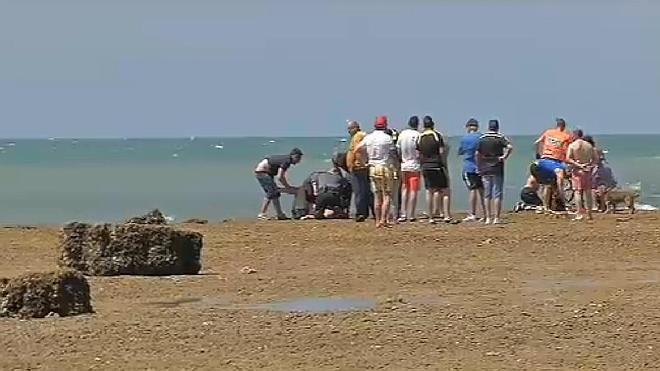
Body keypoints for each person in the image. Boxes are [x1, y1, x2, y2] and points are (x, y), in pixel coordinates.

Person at [355, 116, 396, 228]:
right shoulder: (388, 138)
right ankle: (384, 219)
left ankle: (377, 221)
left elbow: (357, 149)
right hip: (385, 166)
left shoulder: (369, 137)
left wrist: (363, 162)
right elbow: (393, 153)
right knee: (387, 194)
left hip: (373, 167)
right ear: (385, 125)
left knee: (377, 195)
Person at [417, 115, 452, 224]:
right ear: (433, 125)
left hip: (425, 166)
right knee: (445, 190)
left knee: (429, 191)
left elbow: (418, 153)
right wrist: (444, 164)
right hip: (437, 165)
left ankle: (431, 216)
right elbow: (441, 151)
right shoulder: (437, 135)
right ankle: (446, 215)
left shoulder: (420, 136)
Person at [476, 120, 513, 224]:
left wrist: (479, 166)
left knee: (487, 194)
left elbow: (477, 153)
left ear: (489, 127)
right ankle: (496, 217)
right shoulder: (500, 137)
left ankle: (488, 217)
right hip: (497, 166)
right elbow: (510, 147)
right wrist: (504, 157)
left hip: (485, 166)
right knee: (497, 193)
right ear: (497, 128)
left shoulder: (482, 138)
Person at [254, 148, 303, 220]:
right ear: (294, 156)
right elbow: (280, 177)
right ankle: (261, 214)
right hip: (262, 172)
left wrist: (286, 187)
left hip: (266, 172)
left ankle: (279, 214)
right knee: (271, 192)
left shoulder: (286, 159)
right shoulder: (287, 161)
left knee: (275, 194)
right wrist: (288, 187)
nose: (299, 160)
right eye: (298, 158)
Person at [535, 118, 572, 209]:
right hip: (555, 161)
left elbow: (537, 143)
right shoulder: (566, 136)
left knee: (548, 184)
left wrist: (538, 154)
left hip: (544, 160)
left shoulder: (548, 132)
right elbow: (569, 150)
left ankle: (546, 206)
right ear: (564, 126)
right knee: (560, 175)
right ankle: (562, 199)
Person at [457, 118, 485, 222]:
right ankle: (485, 213)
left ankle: (472, 213)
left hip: (469, 167)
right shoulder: (481, 137)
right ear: (477, 127)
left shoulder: (464, 138)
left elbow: (460, 151)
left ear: (468, 127)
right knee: (482, 191)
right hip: (481, 167)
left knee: (473, 190)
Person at [566, 129, 596, 220]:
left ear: (575, 135)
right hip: (587, 170)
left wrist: (578, 165)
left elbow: (568, 158)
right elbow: (595, 159)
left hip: (577, 170)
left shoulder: (573, 145)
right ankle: (589, 213)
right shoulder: (589, 145)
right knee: (588, 192)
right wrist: (590, 166)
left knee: (577, 192)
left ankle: (579, 213)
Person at [346, 121, 372, 222]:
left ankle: (360, 213)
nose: (348, 131)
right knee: (364, 190)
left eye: (350, 129)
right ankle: (366, 212)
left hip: (358, 168)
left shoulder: (357, 136)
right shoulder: (360, 136)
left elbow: (357, 151)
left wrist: (360, 163)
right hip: (359, 167)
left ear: (355, 128)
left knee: (359, 191)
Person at [397, 116, 421, 222]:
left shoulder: (402, 134)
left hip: (404, 164)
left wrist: (401, 159)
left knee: (404, 188)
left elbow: (398, 149)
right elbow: (419, 150)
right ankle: (411, 214)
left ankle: (403, 213)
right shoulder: (418, 135)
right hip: (414, 165)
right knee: (413, 190)